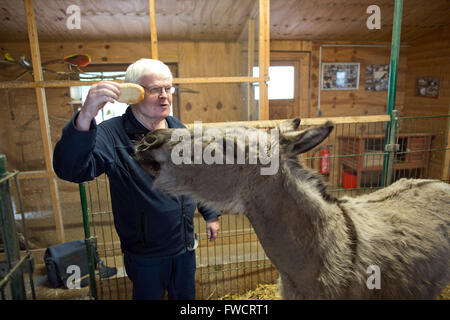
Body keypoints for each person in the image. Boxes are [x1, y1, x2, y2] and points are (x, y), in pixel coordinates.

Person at [53, 58, 221, 300]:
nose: (164, 96)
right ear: (134, 93)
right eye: (154, 89)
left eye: (168, 88)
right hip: (146, 255)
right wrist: (86, 116)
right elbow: (70, 170)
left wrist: (211, 214)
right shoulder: (112, 135)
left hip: (184, 246)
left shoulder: (178, 129)